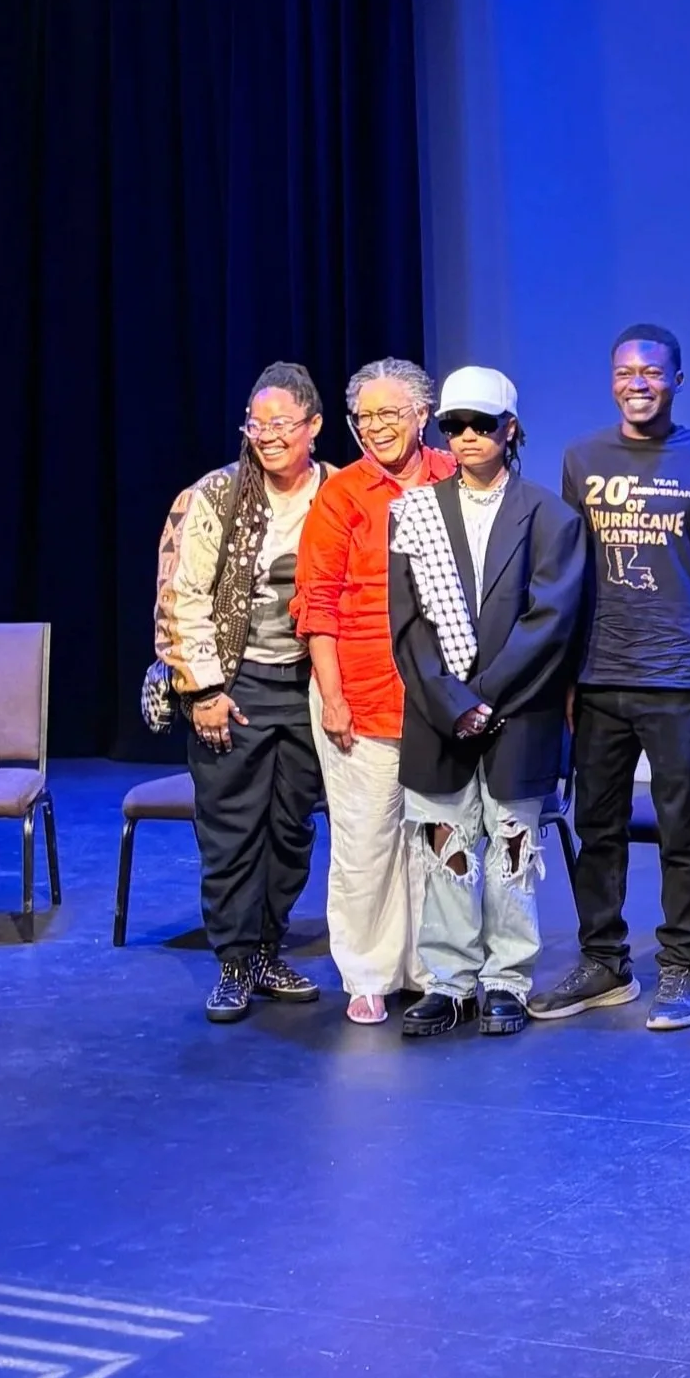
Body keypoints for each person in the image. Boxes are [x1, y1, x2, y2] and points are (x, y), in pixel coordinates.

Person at [528, 326, 690, 1033]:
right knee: (598, 827)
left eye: (652, 371)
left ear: (678, 379)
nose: (638, 383)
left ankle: (680, 965)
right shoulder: (583, 457)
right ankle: (605, 961)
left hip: (676, 673)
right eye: (625, 372)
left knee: (682, 827)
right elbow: (569, 570)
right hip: (598, 672)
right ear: (611, 380)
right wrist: (565, 672)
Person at [388, 367, 587, 1041]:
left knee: (511, 847)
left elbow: (551, 621)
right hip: (438, 713)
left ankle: (506, 979)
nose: (467, 435)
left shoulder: (551, 517)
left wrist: (485, 697)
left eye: (482, 423)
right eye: (454, 425)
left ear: (511, 428)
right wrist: (452, 702)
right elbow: (408, 623)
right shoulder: (415, 511)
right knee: (445, 843)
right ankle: (448, 980)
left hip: (517, 710)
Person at [157, 362, 335, 1024]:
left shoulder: (339, 492)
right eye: (256, 425)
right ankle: (234, 962)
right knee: (232, 830)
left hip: (311, 684)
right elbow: (181, 595)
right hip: (235, 683)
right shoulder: (215, 494)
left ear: (313, 426)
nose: (268, 436)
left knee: (291, 828)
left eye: (281, 424)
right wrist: (204, 689)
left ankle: (267, 949)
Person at [293, 357, 455, 1025]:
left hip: (442, 696)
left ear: (423, 414)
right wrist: (333, 697)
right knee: (366, 840)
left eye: (390, 413)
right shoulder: (342, 494)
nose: (376, 427)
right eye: (364, 416)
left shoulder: (455, 475)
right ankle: (367, 972)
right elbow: (317, 605)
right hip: (358, 693)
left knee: (439, 839)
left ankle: (433, 967)